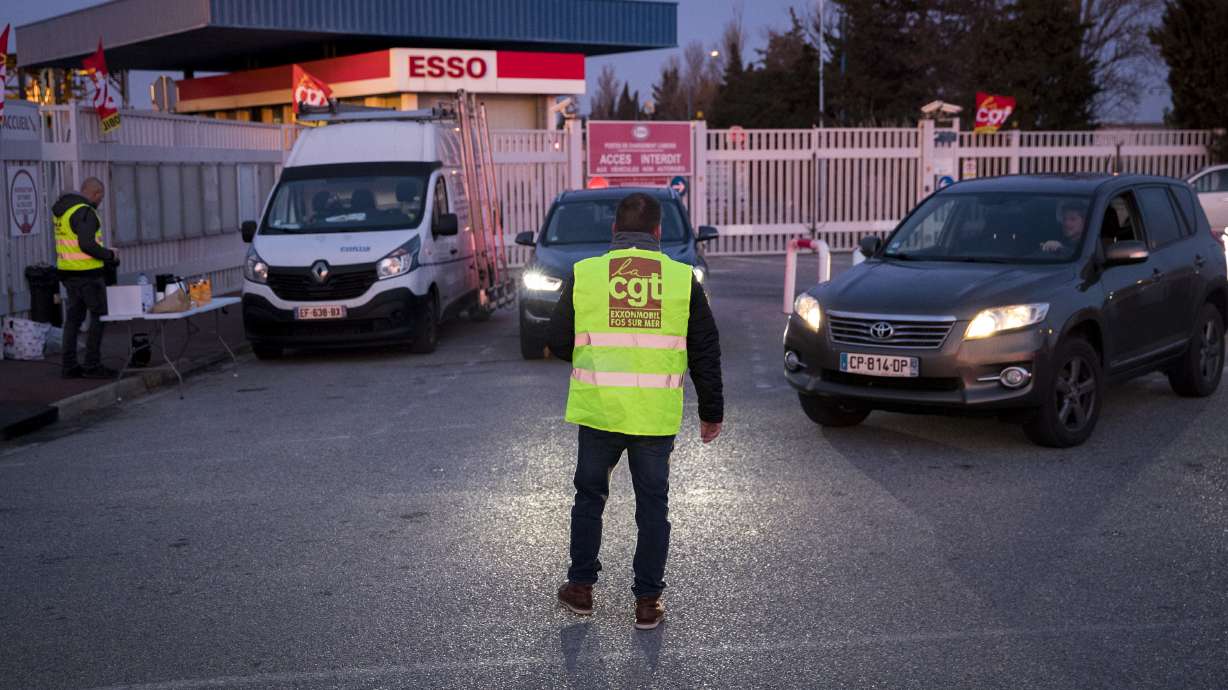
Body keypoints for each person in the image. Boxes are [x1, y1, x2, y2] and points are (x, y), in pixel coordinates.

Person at [547, 193, 724, 631]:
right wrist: (711, 410)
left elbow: (556, 337)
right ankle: (647, 602)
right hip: (653, 417)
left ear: (614, 232)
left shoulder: (586, 275)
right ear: (658, 232)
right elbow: (704, 349)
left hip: (600, 411)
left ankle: (582, 590)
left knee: (589, 499)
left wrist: (597, 358)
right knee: (652, 506)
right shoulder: (682, 280)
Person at [52, 177, 119, 379]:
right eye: (101, 197)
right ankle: (92, 364)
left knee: (73, 320)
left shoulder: (63, 211)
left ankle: (69, 365)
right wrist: (110, 255)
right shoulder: (86, 212)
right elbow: (87, 245)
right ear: (96, 193)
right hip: (88, 274)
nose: (100, 201)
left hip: (68, 273)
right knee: (99, 316)